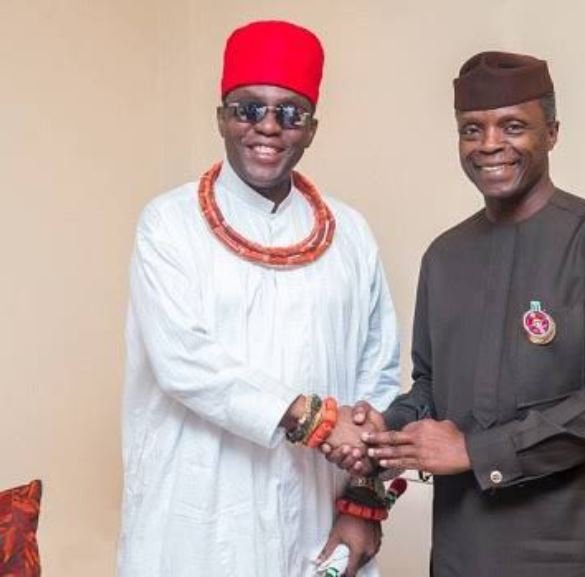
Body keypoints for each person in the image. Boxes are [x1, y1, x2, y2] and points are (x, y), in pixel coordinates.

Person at [355, 51, 585, 576]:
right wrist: (387, 428)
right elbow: (432, 386)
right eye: (472, 129)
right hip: (467, 549)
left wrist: (478, 450)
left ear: (553, 133)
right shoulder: (445, 256)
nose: (489, 144)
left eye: (512, 126)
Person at [118, 20, 399, 577]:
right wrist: (316, 420)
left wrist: (363, 500)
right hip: (197, 517)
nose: (267, 127)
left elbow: (380, 377)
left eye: (289, 113)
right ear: (221, 115)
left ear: (312, 128)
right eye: (248, 108)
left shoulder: (351, 233)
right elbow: (183, 362)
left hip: (318, 515)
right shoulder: (169, 224)